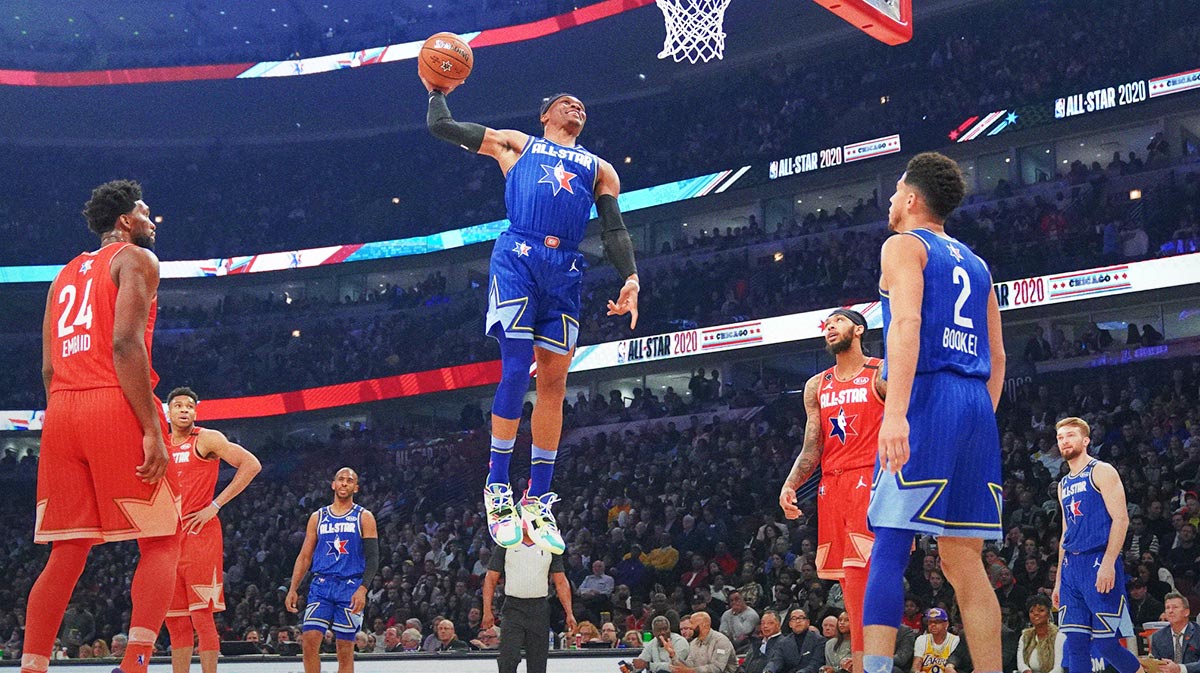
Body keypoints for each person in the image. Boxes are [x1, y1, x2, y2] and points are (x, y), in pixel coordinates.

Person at [423, 77, 640, 556]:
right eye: (567, 101)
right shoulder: (516, 144)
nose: (577, 105)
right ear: (545, 115)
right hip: (518, 257)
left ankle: (538, 497)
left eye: (581, 103)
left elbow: (615, 229)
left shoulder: (600, 168)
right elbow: (443, 127)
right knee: (516, 368)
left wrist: (630, 278)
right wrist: (436, 87)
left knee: (556, 386)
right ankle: (497, 483)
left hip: (565, 269)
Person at [23, 180, 180, 673]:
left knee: (66, 553)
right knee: (164, 537)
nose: (152, 220)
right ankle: (134, 665)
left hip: (61, 412)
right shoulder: (135, 259)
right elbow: (125, 345)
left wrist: (69, 413)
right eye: (145, 212)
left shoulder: (62, 276)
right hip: (112, 402)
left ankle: (31, 666)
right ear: (124, 221)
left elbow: (49, 370)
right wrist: (152, 428)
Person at [862, 153, 1006, 673]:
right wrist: (976, 421)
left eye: (897, 191)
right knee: (963, 560)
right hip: (974, 404)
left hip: (927, 396)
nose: (891, 201)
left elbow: (907, 325)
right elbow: (1000, 356)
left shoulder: (903, 245)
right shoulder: (977, 262)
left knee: (890, 540)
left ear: (912, 198)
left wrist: (897, 413)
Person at [780, 307, 885, 673]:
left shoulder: (880, 370)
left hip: (869, 479)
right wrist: (792, 483)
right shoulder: (816, 385)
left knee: (865, 580)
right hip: (831, 486)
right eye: (826, 324)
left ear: (858, 329)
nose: (829, 328)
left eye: (837, 322)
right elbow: (813, 446)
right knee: (848, 585)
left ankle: (868, 665)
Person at [162, 386, 262, 673]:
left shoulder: (207, 438)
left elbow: (251, 464)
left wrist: (215, 505)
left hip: (199, 533)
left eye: (190, 406)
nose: (184, 410)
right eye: (178, 405)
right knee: (175, 620)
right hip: (167, 538)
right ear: (168, 412)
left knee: (201, 615)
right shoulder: (160, 443)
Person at [1052, 417, 1145, 673]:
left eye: (1070, 435)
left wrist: (1108, 563)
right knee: (1076, 644)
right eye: (1060, 437)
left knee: (1106, 644)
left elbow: (1121, 519)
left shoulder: (1101, 470)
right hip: (1072, 567)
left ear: (1086, 440)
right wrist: (1059, 580)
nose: (1064, 441)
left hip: (1098, 560)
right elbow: (1065, 534)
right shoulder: (1062, 484)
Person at [285, 469, 380, 673]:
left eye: (350, 480)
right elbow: (304, 556)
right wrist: (293, 588)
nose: (345, 483)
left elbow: (373, 558)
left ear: (356, 487)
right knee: (309, 640)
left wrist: (363, 588)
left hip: (350, 586)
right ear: (333, 484)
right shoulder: (318, 517)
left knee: (344, 649)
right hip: (321, 585)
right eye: (341, 479)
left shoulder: (364, 517)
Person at [483, 526, 576, 673]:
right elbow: (491, 578)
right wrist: (487, 610)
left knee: (538, 662)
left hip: (539, 608)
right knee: (508, 658)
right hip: (513, 607)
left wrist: (569, 612)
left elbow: (560, 581)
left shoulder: (550, 544)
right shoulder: (506, 543)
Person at [669, 611, 738, 673]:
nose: (690, 627)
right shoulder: (694, 643)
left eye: (692, 623)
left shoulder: (721, 641)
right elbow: (689, 665)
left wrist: (690, 671)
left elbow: (716, 669)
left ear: (704, 625)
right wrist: (673, 656)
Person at [1149, 592, 1199, 673]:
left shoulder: (1198, 633)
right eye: (1167, 608)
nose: (1170, 611)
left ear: (1186, 612)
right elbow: (1156, 664)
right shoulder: (1158, 636)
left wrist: (1179, 669)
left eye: (1175, 607)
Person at [1016, 595, 1064, 673]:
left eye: (1041, 610)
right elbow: (1021, 662)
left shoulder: (1059, 636)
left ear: (1048, 613)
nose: (1036, 614)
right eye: (1032, 611)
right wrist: (1026, 670)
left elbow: (1059, 667)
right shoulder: (1025, 636)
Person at [911, 609, 968, 673]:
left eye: (937, 622)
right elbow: (916, 664)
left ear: (946, 624)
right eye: (930, 622)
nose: (933, 624)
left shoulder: (955, 640)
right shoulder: (921, 639)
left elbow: (954, 665)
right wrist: (917, 672)